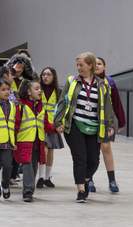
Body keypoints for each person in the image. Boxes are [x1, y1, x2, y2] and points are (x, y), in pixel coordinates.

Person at [54, 52, 115, 203]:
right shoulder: (72, 81)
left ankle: (86, 179)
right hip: (74, 125)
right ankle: (81, 189)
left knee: (94, 160)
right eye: (77, 65)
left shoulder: (102, 84)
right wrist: (58, 121)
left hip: (94, 127)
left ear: (90, 65)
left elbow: (107, 105)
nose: (78, 68)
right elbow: (62, 102)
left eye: (81, 65)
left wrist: (109, 124)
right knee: (80, 157)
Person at [88, 57, 126, 193]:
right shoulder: (87, 80)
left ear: (104, 66)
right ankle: (89, 179)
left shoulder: (110, 82)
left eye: (99, 64)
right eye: (95, 64)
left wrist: (121, 121)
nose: (97, 66)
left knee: (106, 148)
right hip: (90, 120)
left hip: (106, 121)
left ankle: (112, 180)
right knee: (91, 151)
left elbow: (117, 103)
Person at [14, 79, 53, 202]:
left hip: (38, 142)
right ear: (28, 92)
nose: (40, 91)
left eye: (40, 88)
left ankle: (29, 190)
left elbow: (46, 124)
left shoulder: (41, 106)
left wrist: (56, 128)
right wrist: (11, 140)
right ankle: (27, 192)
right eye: (36, 89)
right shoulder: (21, 106)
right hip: (24, 141)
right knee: (27, 166)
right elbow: (16, 124)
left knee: (34, 167)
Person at [36, 67, 64, 188]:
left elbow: (62, 109)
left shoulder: (58, 91)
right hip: (40, 124)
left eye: (48, 74)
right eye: (43, 75)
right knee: (44, 149)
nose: (45, 77)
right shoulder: (37, 90)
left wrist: (60, 123)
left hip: (53, 125)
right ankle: (40, 177)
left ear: (54, 77)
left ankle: (47, 177)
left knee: (50, 151)